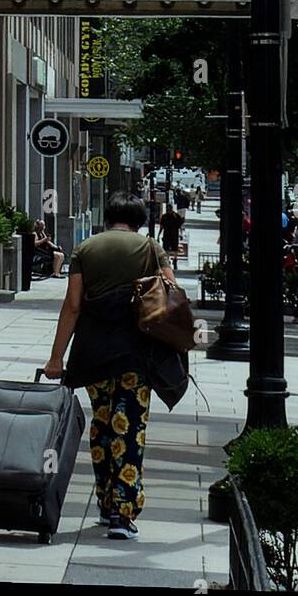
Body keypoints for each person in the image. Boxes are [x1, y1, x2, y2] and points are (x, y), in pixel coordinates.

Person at [44, 194, 188, 541]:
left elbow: (73, 306)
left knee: (103, 425)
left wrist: (56, 357)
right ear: (139, 219)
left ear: (109, 217)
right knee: (129, 427)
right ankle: (123, 513)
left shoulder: (85, 249)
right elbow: (173, 295)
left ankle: (106, 500)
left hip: (93, 351)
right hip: (135, 353)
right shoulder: (152, 249)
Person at [158, 204, 182, 270]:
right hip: (166, 234)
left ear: (172, 209)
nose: (168, 211)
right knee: (166, 249)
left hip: (174, 234)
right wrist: (159, 234)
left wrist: (181, 233)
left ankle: (175, 260)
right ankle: (167, 262)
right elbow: (162, 226)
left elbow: (180, 226)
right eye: (167, 209)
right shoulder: (164, 216)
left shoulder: (176, 216)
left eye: (169, 209)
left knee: (175, 249)